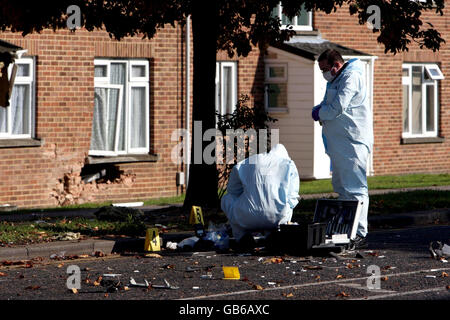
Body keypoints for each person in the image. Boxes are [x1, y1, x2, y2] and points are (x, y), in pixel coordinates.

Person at [312, 49, 373, 249]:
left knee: (355, 188)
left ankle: (358, 233)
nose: (323, 73)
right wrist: (321, 109)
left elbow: (337, 107)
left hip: (352, 143)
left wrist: (320, 113)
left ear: (336, 66)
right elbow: (329, 103)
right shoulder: (335, 79)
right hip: (340, 144)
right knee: (342, 187)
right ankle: (346, 230)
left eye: (325, 69)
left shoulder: (351, 78)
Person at [221, 144, 300, 247]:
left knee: (227, 198)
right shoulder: (289, 164)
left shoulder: (244, 163)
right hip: (278, 218)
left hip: (246, 218)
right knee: (288, 203)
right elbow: (293, 196)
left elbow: (233, 191)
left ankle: (242, 236)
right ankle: (274, 234)